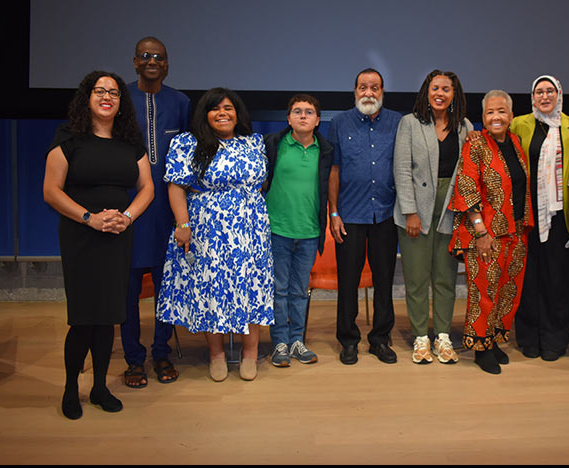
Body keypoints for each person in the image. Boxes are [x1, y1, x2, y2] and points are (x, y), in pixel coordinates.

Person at [44, 70, 154, 419]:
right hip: (81, 236)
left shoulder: (130, 141)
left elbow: (147, 188)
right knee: (83, 318)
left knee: (109, 317)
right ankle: (69, 389)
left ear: (121, 102)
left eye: (115, 93)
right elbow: (51, 191)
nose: (107, 96)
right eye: (100, 90)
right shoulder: (69, 138)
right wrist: (89, 217)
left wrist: (127, 217)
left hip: (118, 237)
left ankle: (100, 387)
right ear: (87, 98)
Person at [156, 88, 274, 382]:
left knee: (252, 287)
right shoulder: (188, 143)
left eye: (229, 108)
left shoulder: (254, 142)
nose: (223, 113)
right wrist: (183, 225)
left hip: (251, 230)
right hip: (208, 230)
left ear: (238, 113)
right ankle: (217, 355)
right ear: (204, 114)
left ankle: (250, 354)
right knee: (213, 289)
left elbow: (261, 182)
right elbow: (176, 186)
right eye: (215, 108)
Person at [121, 36, 190, 389]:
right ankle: (133, 359)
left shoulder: (180, 102)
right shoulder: (119, 98)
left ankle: (161, 352)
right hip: (128, 211)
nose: (152, 61)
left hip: (167, 212)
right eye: (145, 56)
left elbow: (189, 157)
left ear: (167, 63)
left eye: (159, 57)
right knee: (128, 291)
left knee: (168, 288)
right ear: (135, 62)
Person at [448, 90, 533, 374]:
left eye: (501, 111)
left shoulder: (517, 143)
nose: (496, 117)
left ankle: (495, 340)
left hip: (516, 231)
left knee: (508, 291)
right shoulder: (475, 145)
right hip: (486, 234)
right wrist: (481, 231)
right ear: (482, 117)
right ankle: (479, 347)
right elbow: (467, 187)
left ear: (511, 115)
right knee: (483, 292)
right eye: (489, 112)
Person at [393, 70, 474, 364]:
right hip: (416, 210)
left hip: (450, 209)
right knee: (416, 278)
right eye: (435, 87)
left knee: (445, 277)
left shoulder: (464, 126)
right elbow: (401, 170)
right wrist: (410, 211)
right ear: (426, 91)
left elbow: (467, 172)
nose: (440, 93)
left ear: (455, 94)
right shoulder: (410, 124)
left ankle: (442, 336)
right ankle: (420, 337)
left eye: (446, 89)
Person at [328, 68, 402, 365]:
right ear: (355, 91)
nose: (368, 92)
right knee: (348, 282)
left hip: (386, 214)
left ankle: (380, 339)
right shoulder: (339, 122)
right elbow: (334, 170)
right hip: (350, 215)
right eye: (363, 87)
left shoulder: (398, 122)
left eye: (375, 87)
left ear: (382, 91)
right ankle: (348, 340)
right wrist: (333, 212)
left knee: (384, 280)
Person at [511, 75, 569, 361]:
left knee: (558, 278)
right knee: (528, 277)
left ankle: (556, 339)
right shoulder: (520, 124)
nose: (544, 96)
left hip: (561, 217)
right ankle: (529, 337)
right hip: (527, 216)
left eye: (549, 91)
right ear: (532, 97)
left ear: (559, 94)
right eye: (539, 92)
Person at [264, 94, 334, 367]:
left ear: (318, 120)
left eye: (308, 112)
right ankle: (279, 342)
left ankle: (297, 341)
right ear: (288, 118)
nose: (303, 116)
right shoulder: (274, 145)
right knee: (279, 290)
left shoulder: (325, 150)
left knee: (299, 290)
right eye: (297, 111)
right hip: (278, 230)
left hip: (309, 231)